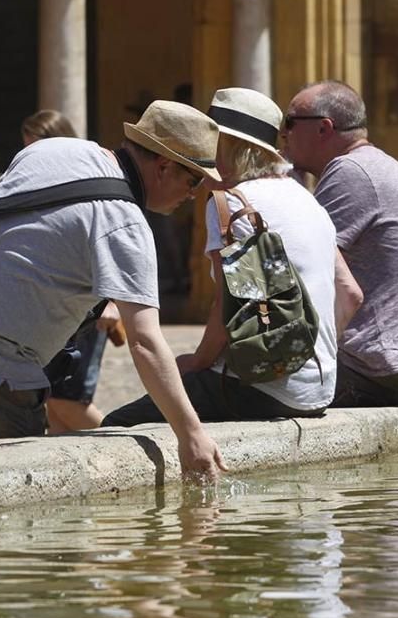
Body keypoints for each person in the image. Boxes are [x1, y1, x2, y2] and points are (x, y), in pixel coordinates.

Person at [0, 100, 228, 482]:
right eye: (194, 180)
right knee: (10, 523)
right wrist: (191, 434)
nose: (194, 194)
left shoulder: (55, 149)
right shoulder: (125, 225)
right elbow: (146, 342)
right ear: (164, 166)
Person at [103, 87, 363, 426]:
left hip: (259, 387)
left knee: (117, 425)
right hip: (320, 389)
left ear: (226, 145)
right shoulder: (308, 201)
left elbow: (226, 307)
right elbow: (351, 296)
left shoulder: (231, 203)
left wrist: (197, 361)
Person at [281, 80, 398, 407]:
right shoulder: (374, 165)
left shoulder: (351, 172)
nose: (283, 135)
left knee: (222, 386)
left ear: (324, 128)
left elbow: (292, 262)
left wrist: (276, 178)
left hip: (367, 369)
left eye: (289, 123)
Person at [19, 108, 122, 434]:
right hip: (53, 309)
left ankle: (121, 445)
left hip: (89, 308)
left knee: (70, 400)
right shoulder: (38, 182)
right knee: (53, 403)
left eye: (37, 145)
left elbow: (115, 246)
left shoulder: (92, 181)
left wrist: (114, 302)